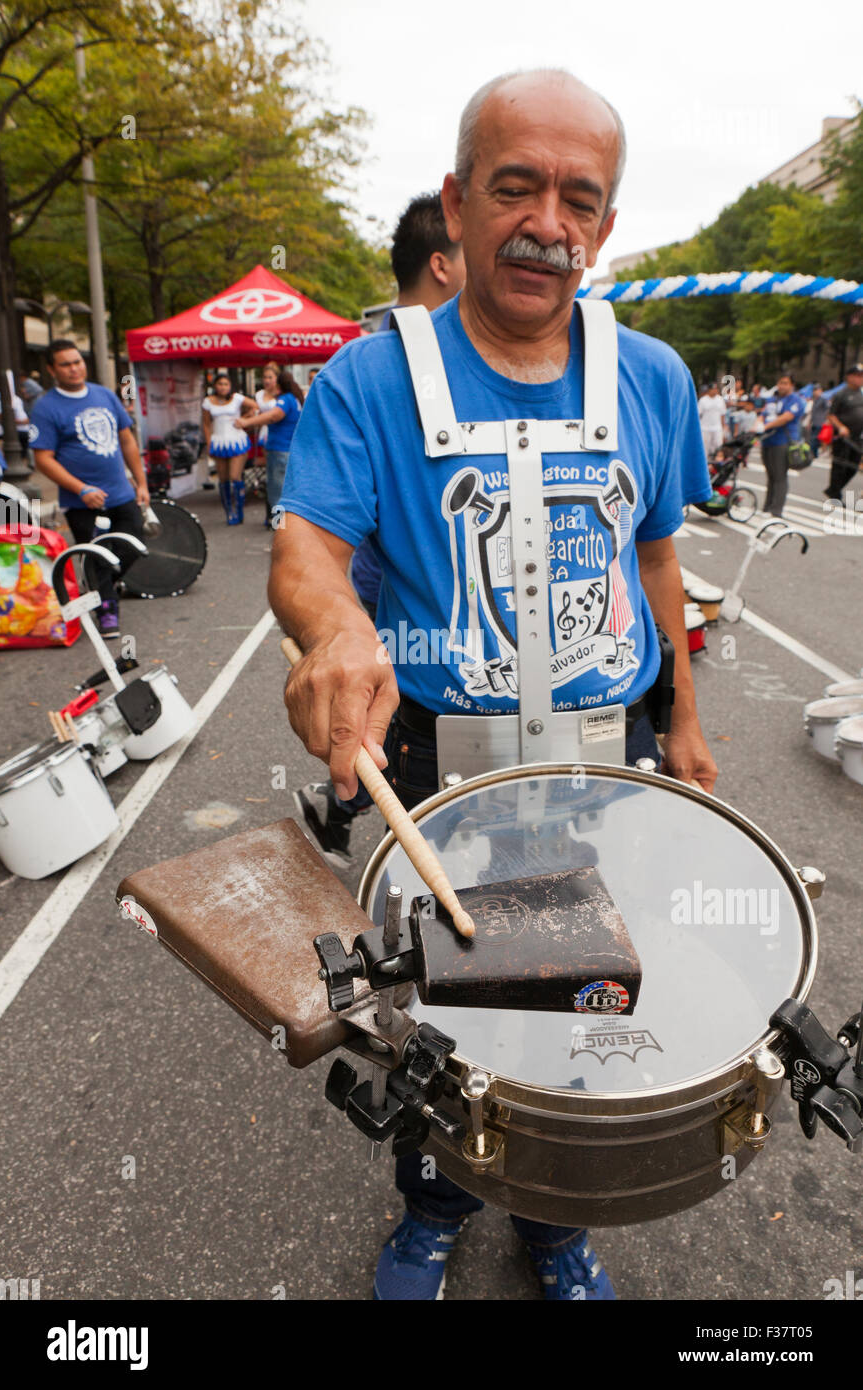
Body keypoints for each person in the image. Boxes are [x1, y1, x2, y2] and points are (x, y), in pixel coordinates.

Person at [269, 68, 717, 1303]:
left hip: (602, 754)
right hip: (432, 764)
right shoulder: (366, 378)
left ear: (605, 227)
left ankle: (556, 1215)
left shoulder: (654, 377)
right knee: (444, 1019)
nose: (547, 222)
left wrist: (680, 712)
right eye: (514, 186)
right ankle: (433, 1207)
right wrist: (337, 629)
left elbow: (656, 551)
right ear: (459, 205)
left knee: (583, 994)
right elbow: (305, 546)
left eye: (580, 198)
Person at [292, 191, 466, 868]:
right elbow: (311, 535)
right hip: (383, 584)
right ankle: (343, 801)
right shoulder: (374, 368)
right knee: (381, 707)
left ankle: (340, 803)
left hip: (403, 583)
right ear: (444, 265)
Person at [29, 338, 148, 638]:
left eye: (77, 361)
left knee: (135, 543)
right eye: (65, 364)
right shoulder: (46, 407)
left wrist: (141, 481)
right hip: (81, 501)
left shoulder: (104, 395)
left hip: (120, 492)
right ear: (51, 369)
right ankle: (107, 610)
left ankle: (104, 583)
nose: (74, 369)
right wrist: (81, 488)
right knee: (95, 554)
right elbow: (43, 458)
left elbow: (127, 440)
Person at [241, 368, 303, 524]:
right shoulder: (295, 399)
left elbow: (274, 415)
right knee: (288, 489)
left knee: (277, 491)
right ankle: (288, 524)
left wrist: (246, 422)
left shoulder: (286, 399)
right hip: (289, 450)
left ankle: (279, 525)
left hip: (280, 450)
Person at [201, 372, 252, 524]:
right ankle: (229, 512)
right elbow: (205, 423)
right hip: (219, 441)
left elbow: (255, 407)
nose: (223, 387)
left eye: (226, 384)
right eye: (220, 384)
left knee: (235, 477)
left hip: (236, 440)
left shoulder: (237, 398)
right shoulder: (208, 401)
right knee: (223, 479)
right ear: (215, 386)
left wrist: (244, 420)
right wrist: (209, 443)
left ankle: (239, 511)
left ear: (230, 386)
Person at [759, 372, 806, 517]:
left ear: (792, 385)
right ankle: (767, 506)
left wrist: (765, 427)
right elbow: (763, 415)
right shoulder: (772, 399)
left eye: (785, 383)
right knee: (770, 475)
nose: (782, 386)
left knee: (780, 476)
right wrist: (757, 426)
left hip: (783, 442)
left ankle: (776, 510)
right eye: (780, 383)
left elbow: (786, 418)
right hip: (767, 440)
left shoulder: (795, 400)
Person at [824, 363, 863, 501]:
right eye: (857, 376)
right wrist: (840, 426)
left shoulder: (861, 393)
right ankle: (834, 494)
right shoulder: (841, 394)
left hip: (857, 437)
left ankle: (833, 489)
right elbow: (831, 415)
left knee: (853, 467)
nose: (860, 379)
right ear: (849, 377)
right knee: (839, 466)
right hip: (843, 437)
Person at [253, 361, 282, 525]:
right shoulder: (259, 395)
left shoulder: (283, 397)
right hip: (266, 438)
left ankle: (278, 521)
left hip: (279, 442)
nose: (267, 380)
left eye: (270, 377)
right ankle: (272, 517)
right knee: (271, 479)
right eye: (264, 377)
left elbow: (273, 416)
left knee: (278, 483)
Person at [696, 382, 726, 457]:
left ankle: (717, 464)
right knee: (705, 447)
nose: (715, 391)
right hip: (705, 427)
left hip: (717, 427)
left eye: (716, 389)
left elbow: (722, 414)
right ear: (709, 390)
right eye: (713, 389)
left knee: (719, 446)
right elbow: (698, 415)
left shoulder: (720, 399)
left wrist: (723, 427)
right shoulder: (703, 400)